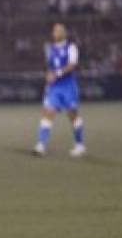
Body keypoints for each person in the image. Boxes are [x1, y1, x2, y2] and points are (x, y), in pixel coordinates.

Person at [33, 23, 85, 157]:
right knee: (48, 112)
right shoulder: (50, 49)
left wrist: (58, 74)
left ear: (64, 33)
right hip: (55, 87)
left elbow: (72, 65)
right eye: (54, 31)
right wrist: (49, 76)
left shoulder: (71, 47)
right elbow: (50, 67)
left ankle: (80, 145)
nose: (55, 33)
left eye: (58, 31)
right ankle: (41, 145)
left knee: (73, 115)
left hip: (68, 86)